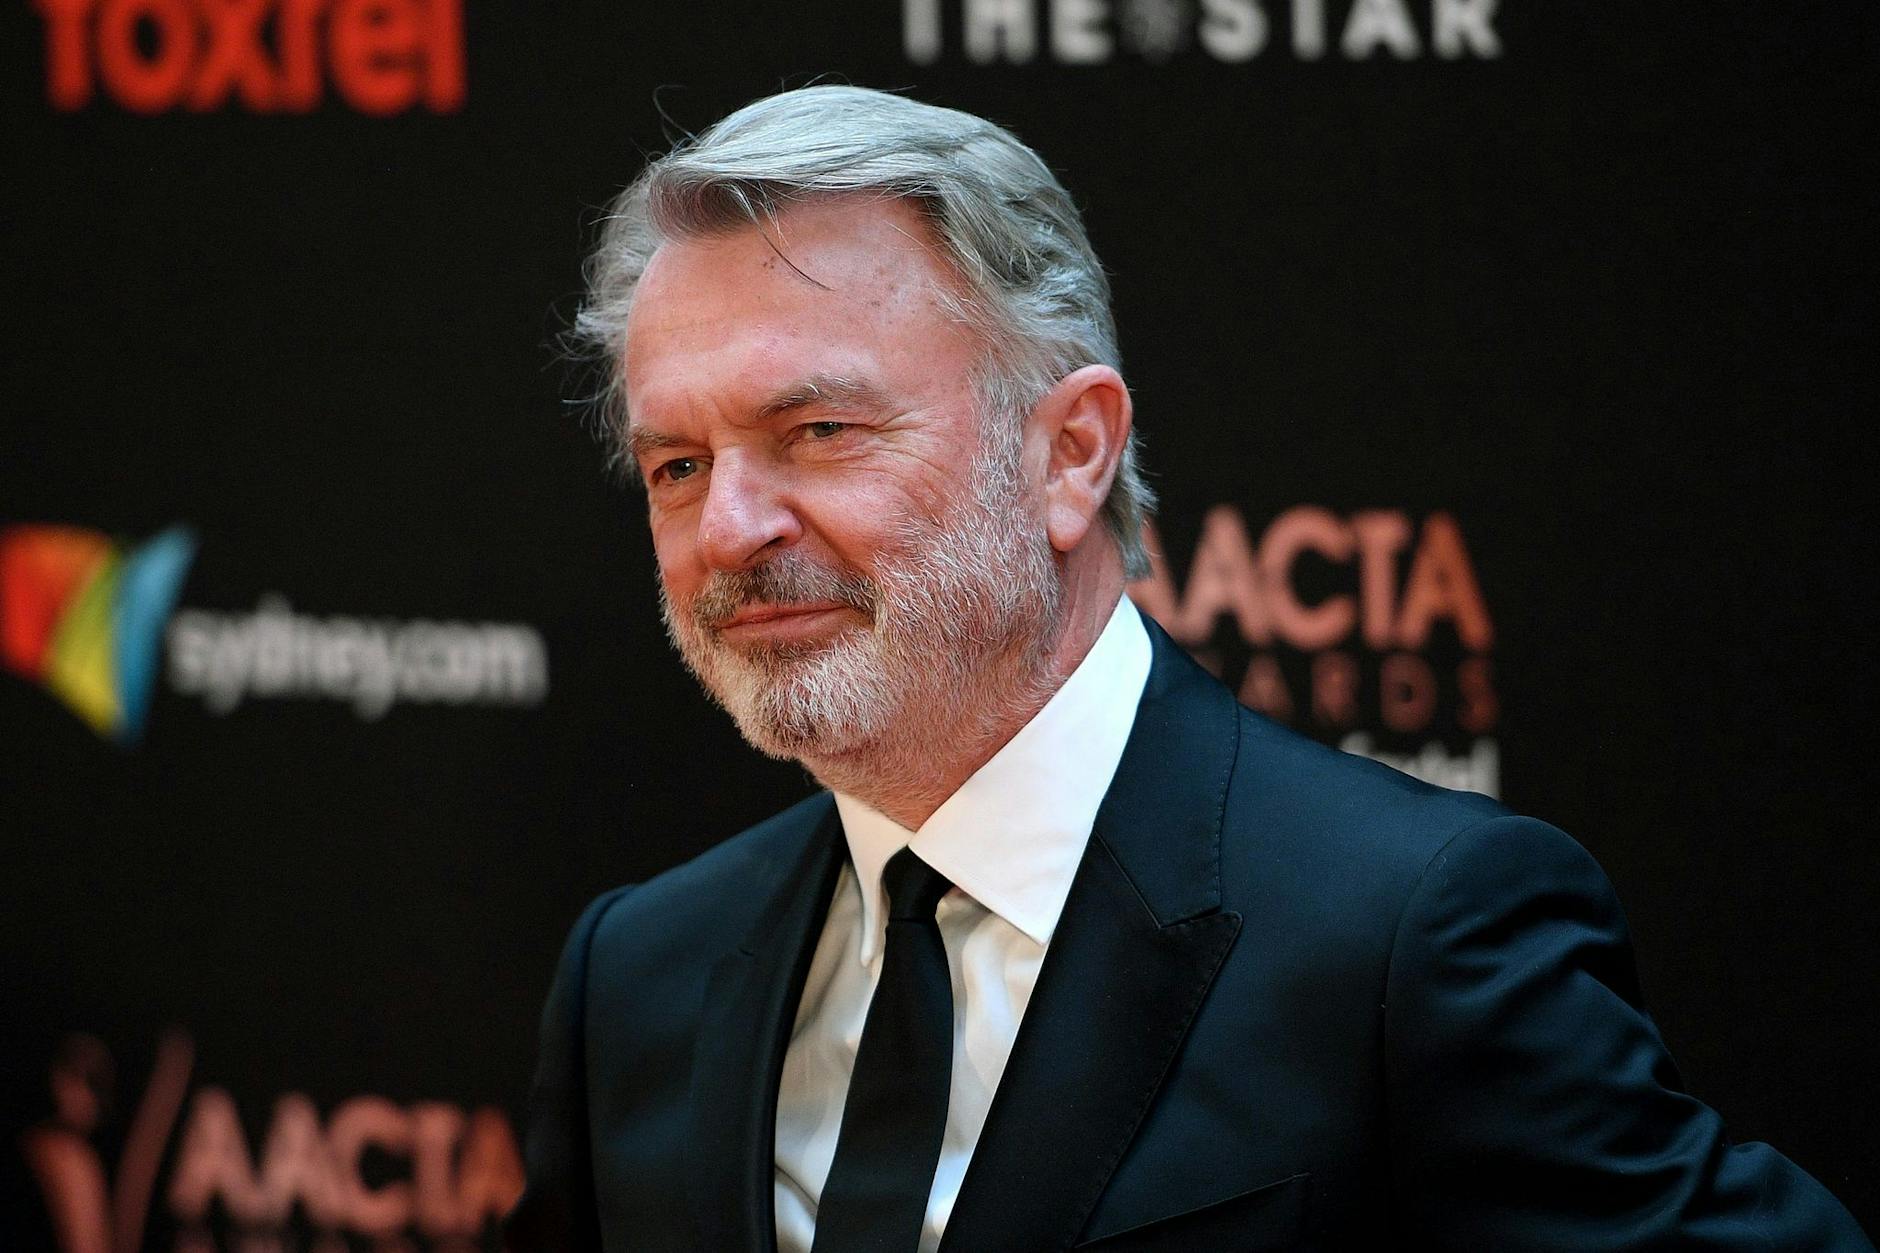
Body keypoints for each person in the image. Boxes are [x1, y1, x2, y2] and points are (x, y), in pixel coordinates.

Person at [506, 85, 1873, 1252]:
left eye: (818, 430)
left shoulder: (1410, 940)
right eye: (676, 465)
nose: (728, 528)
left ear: (1071, 453)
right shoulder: (638, 973)